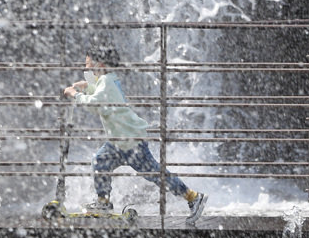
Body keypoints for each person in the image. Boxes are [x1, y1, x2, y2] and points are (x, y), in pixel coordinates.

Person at [63, 47, 208, 224]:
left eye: (88, 66)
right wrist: (87, 86)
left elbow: (95, 103)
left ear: (99, 64)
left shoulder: (107, 82)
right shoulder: (107, 80)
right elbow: (99, 91)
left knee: (154, 173)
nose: (86, 70)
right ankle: (103, 202)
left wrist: (75, 94)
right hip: (118, 141)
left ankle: (192, 197)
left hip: (130, 141)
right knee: (100, 161)